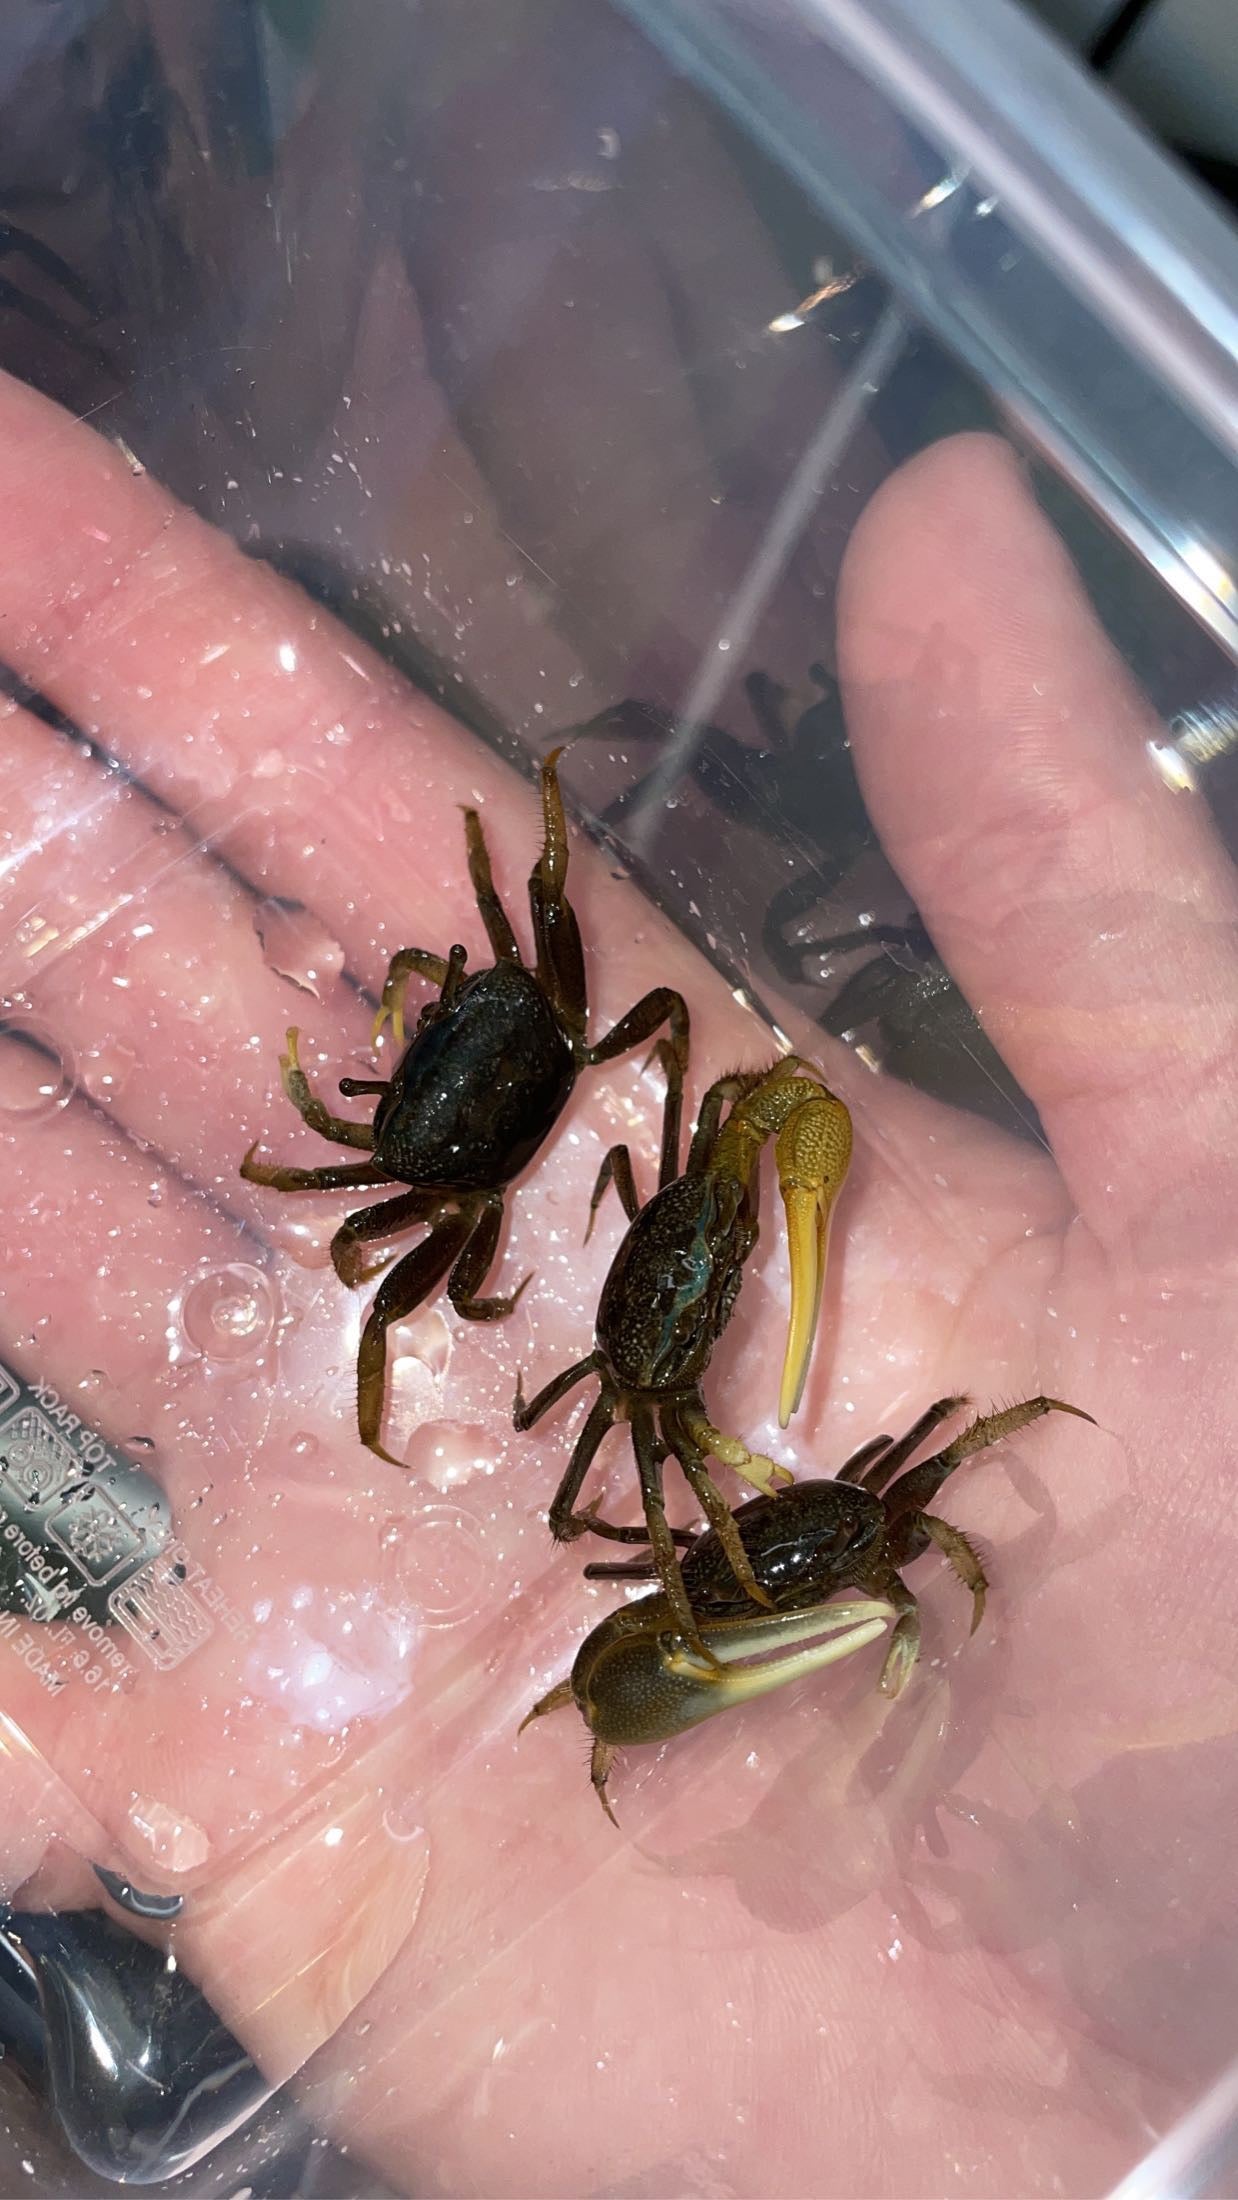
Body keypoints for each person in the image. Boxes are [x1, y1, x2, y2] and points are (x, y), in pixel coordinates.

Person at [0, 358, 1233, 2199]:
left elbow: (544, 916)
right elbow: (406, 1152)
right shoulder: (539, 1258)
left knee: (549, 1033)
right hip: (579, 1265)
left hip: (619, 1220)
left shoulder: (625, 1096)